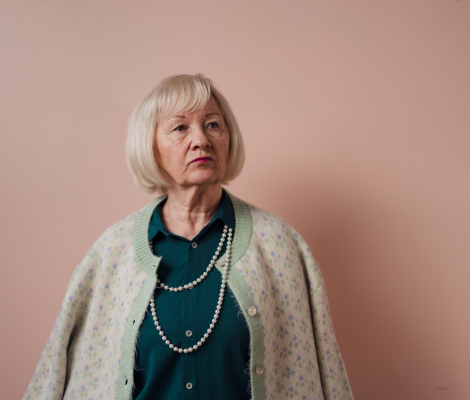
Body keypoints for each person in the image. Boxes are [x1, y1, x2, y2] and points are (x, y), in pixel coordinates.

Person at [24, 74, 353, 400]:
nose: (201, 140)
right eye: (180, 127)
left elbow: (318, 371)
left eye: (212, 124)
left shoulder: (279, 244)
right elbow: (61, 368)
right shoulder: (113, 250)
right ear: (150, 145)